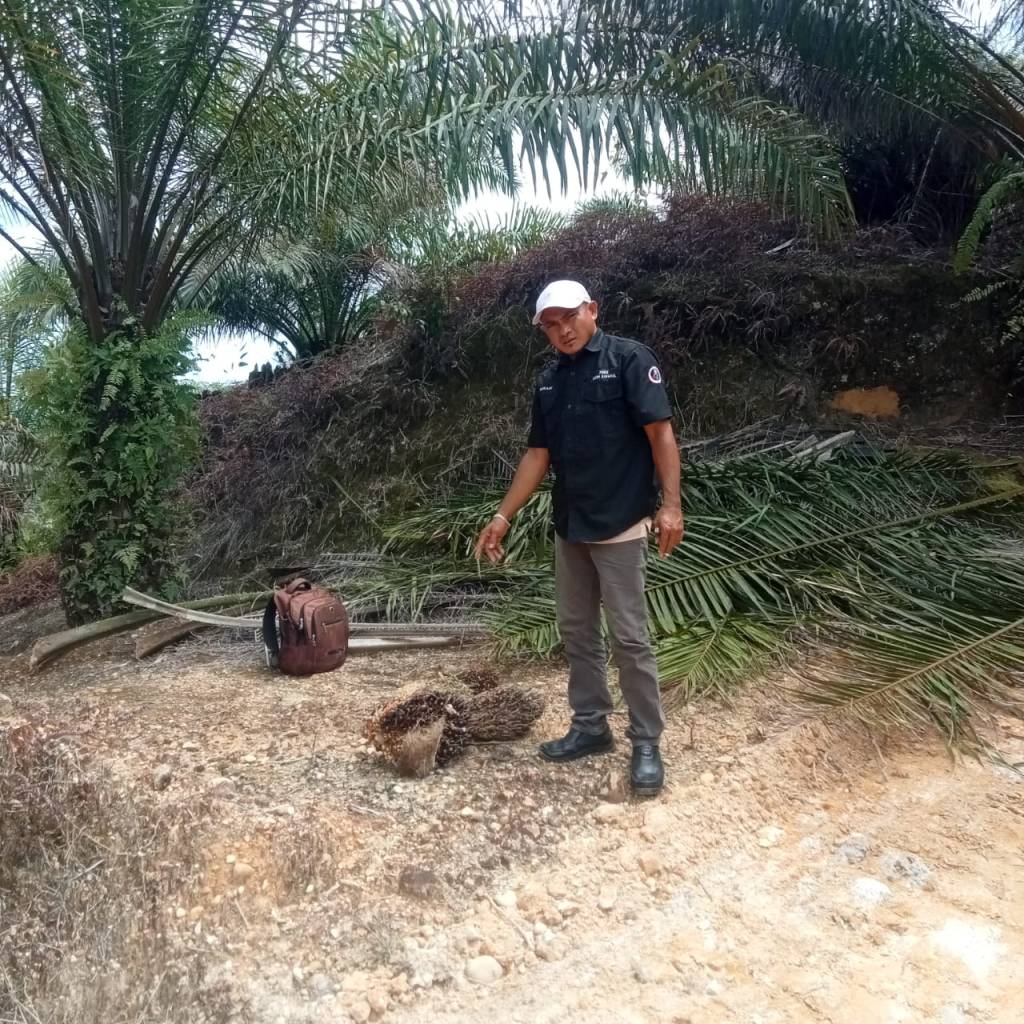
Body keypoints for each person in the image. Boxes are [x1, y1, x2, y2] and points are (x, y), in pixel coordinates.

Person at [474, 280, 684, 795]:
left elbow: (661, 433)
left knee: (630, 637)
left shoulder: (630, 360)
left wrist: (672, 505)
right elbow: (537, 456)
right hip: (571, 524)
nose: (561, 330)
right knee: (576, 631)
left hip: (620, 522)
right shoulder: (549, 382)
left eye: (569, 317)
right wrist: (503, 516)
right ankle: (591, 727)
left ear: (592, 310)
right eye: (550, 324)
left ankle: (646, 742)